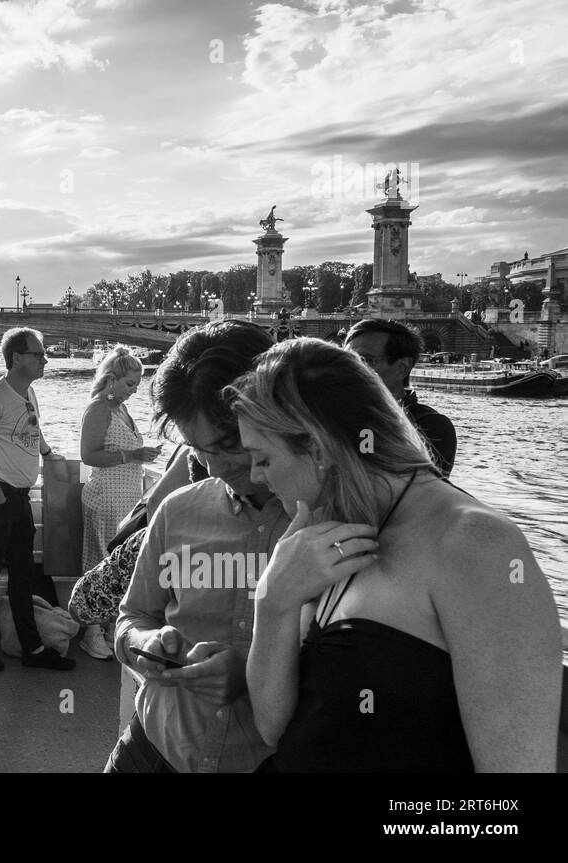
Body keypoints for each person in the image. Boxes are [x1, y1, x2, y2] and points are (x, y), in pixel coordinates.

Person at [229, 338, 561, 772]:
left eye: (262, 457)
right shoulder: (322, 532)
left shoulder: (476, 544)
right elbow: (276, 727)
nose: (254, 475)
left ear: (316, 447)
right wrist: (274, 601)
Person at [111, 319, 286, 773]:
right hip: (147, 753)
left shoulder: (339, 521)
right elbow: (131, 617)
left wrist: (252, 677)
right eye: (195, 449)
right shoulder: (178, 510)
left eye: (229, 444)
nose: (215, 466)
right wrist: (146, 645)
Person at [0, 327, 74, 672]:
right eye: (38, 354)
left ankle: (32, 647)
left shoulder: (28, 394)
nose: (45, 359)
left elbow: (32, 429)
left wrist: (48, 452)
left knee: (22, 574)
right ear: (17, 358)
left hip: (18, 497)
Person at [78, 346, 161, 659]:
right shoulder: (99, 408)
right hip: (106, 495)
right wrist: (134, 455)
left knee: (121, 562)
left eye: (137, 385)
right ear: (111, 380)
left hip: (125, 496)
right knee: (103, 559)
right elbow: (89, 455)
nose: (134, 390)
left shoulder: (120, 409)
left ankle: (111, 626)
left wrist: (141, 455)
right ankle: (91, 631)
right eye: (130, 384)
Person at [345, 318, 457, 476]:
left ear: (402, 368)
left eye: (365, 360)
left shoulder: (431, 426)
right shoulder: (332, 413)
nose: (350, 368)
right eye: (347, 359)